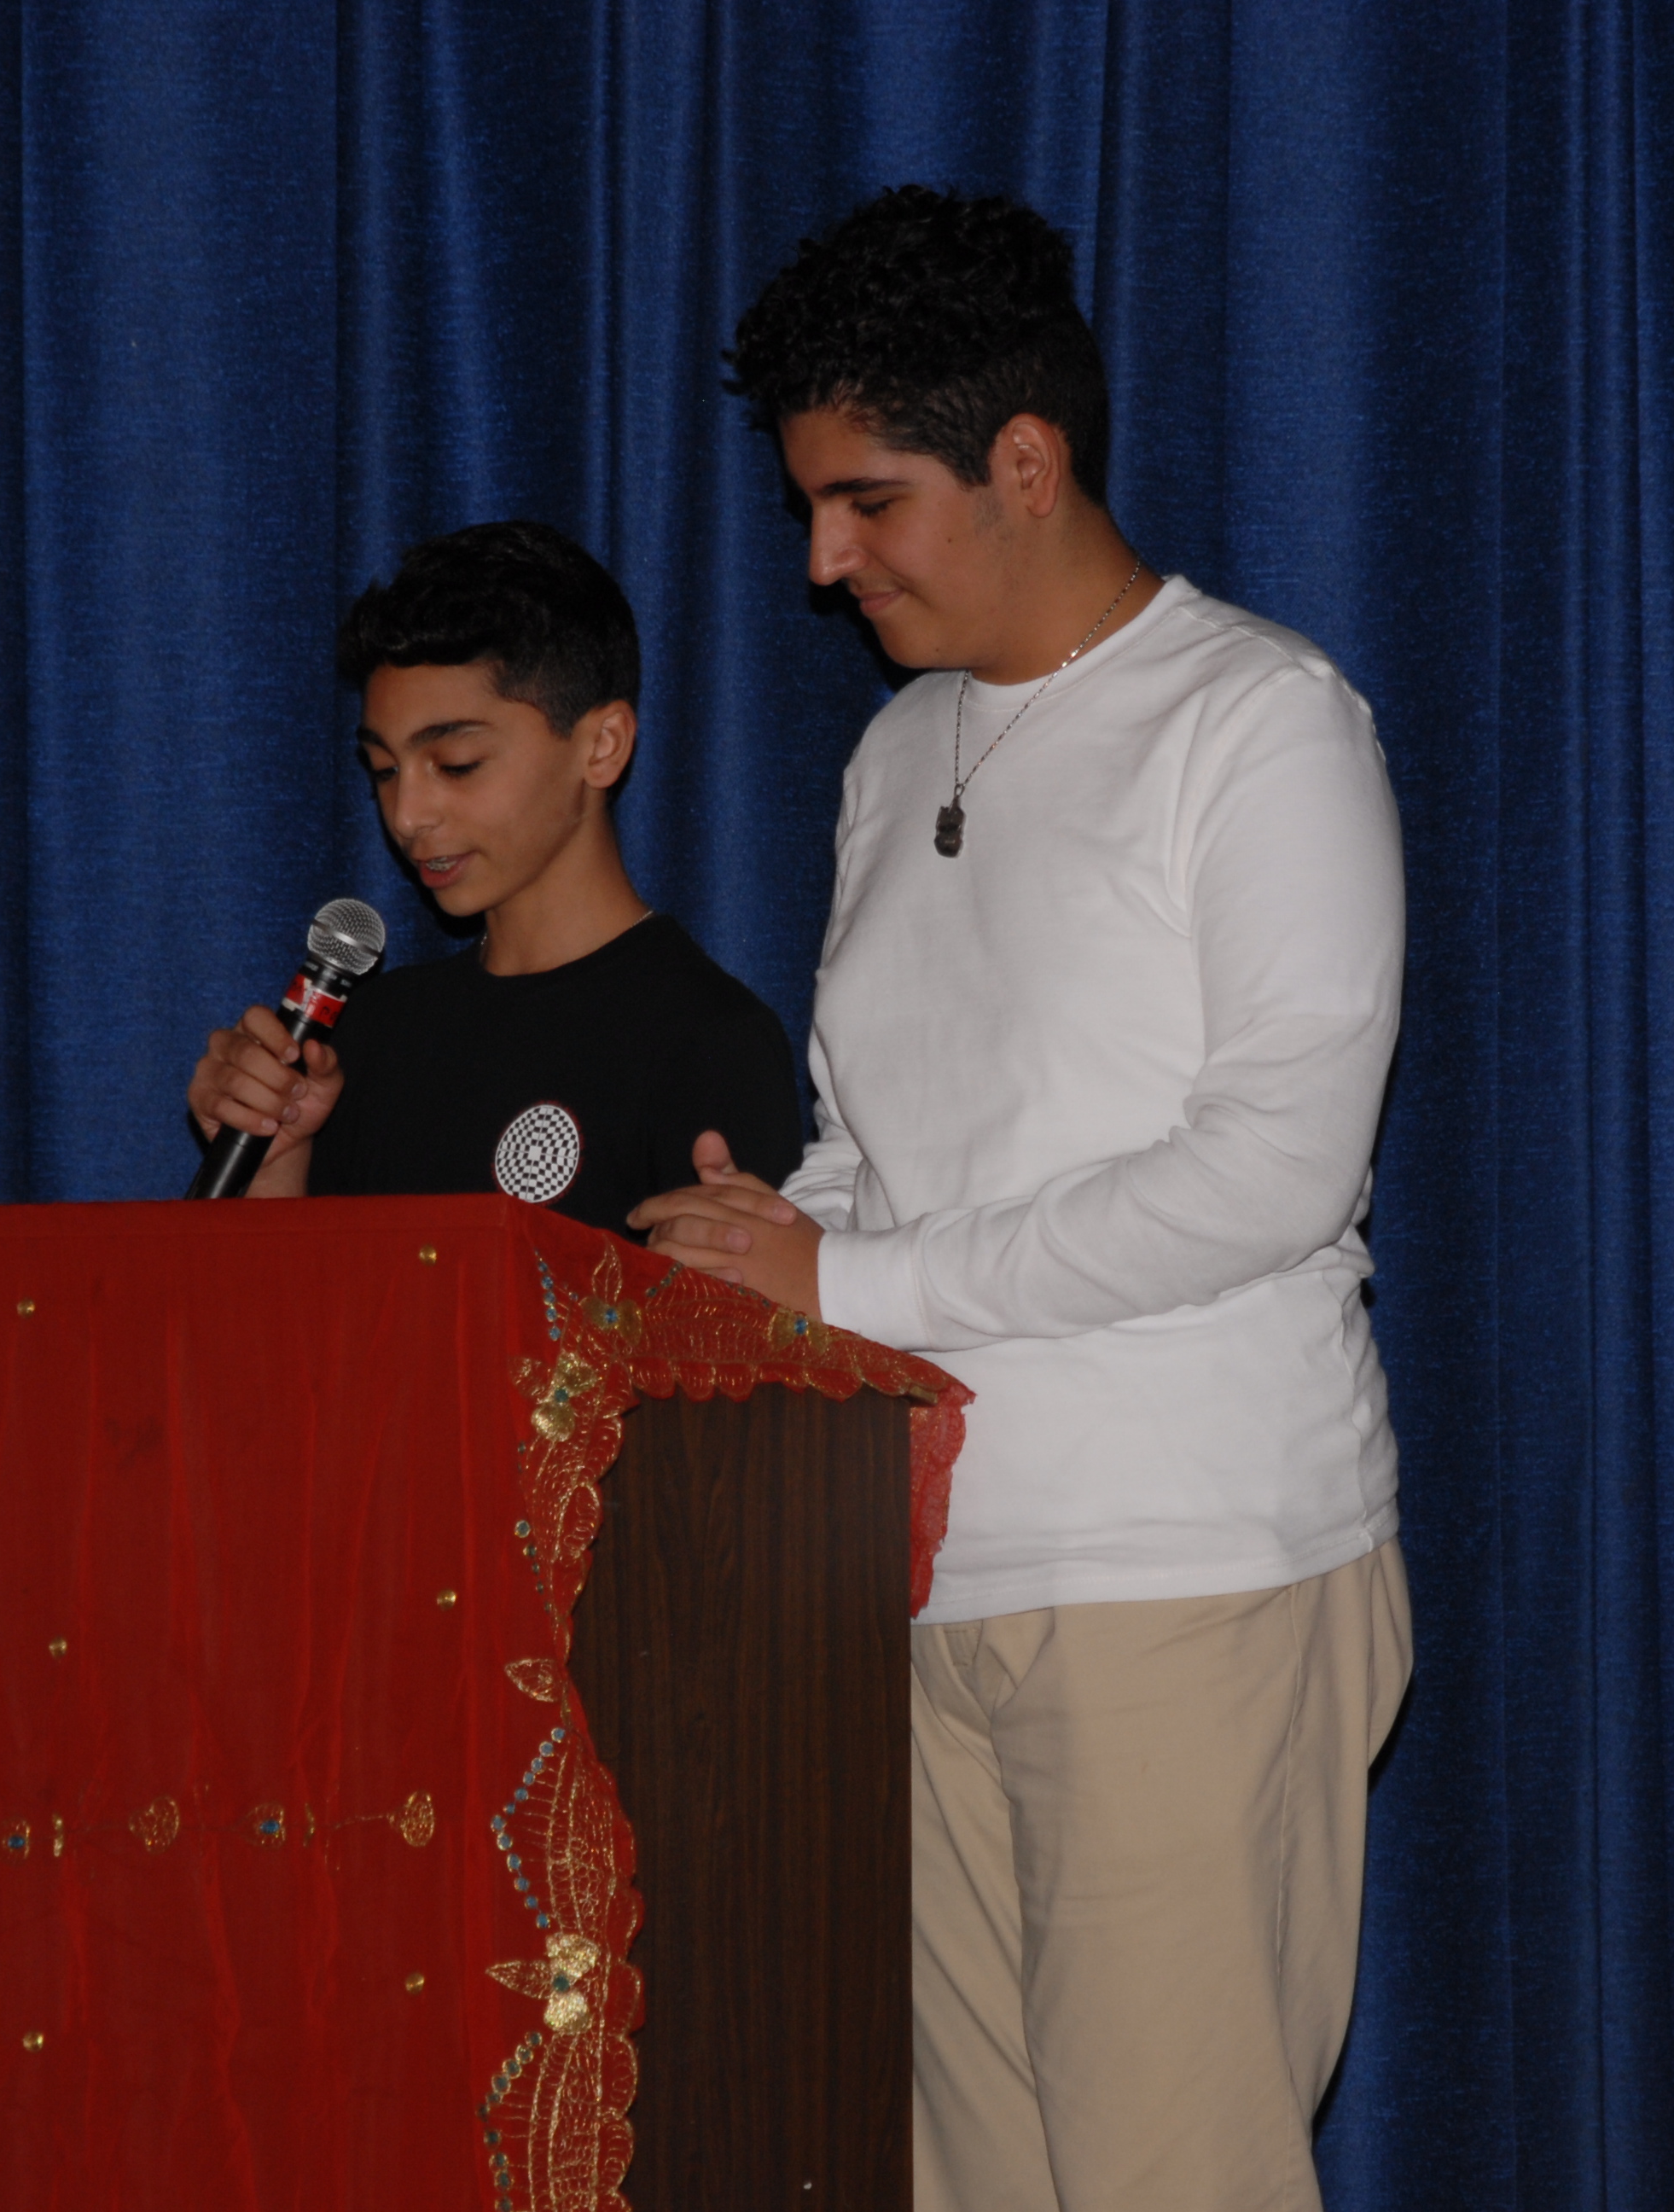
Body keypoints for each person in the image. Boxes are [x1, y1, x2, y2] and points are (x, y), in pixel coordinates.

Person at [633, 188, 1411, 2212]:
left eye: (866, 503)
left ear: (1028, 462)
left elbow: (1275, 1169)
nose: (824, 561)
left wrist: (850, 1273)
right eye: (810, 507)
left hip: (1188, 1568)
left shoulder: (1259, 722)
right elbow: (882, 1146)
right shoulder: (894, 754)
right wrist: (762, 1242)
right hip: (917, 1569)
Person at [189, 519, 802, 1236]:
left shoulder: (707, 1040)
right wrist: (276, 1168)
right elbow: (313, 1306)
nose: (408, 814)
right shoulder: (371, 1035)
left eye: (456, 765)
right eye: (383, 770)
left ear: (602, 746)